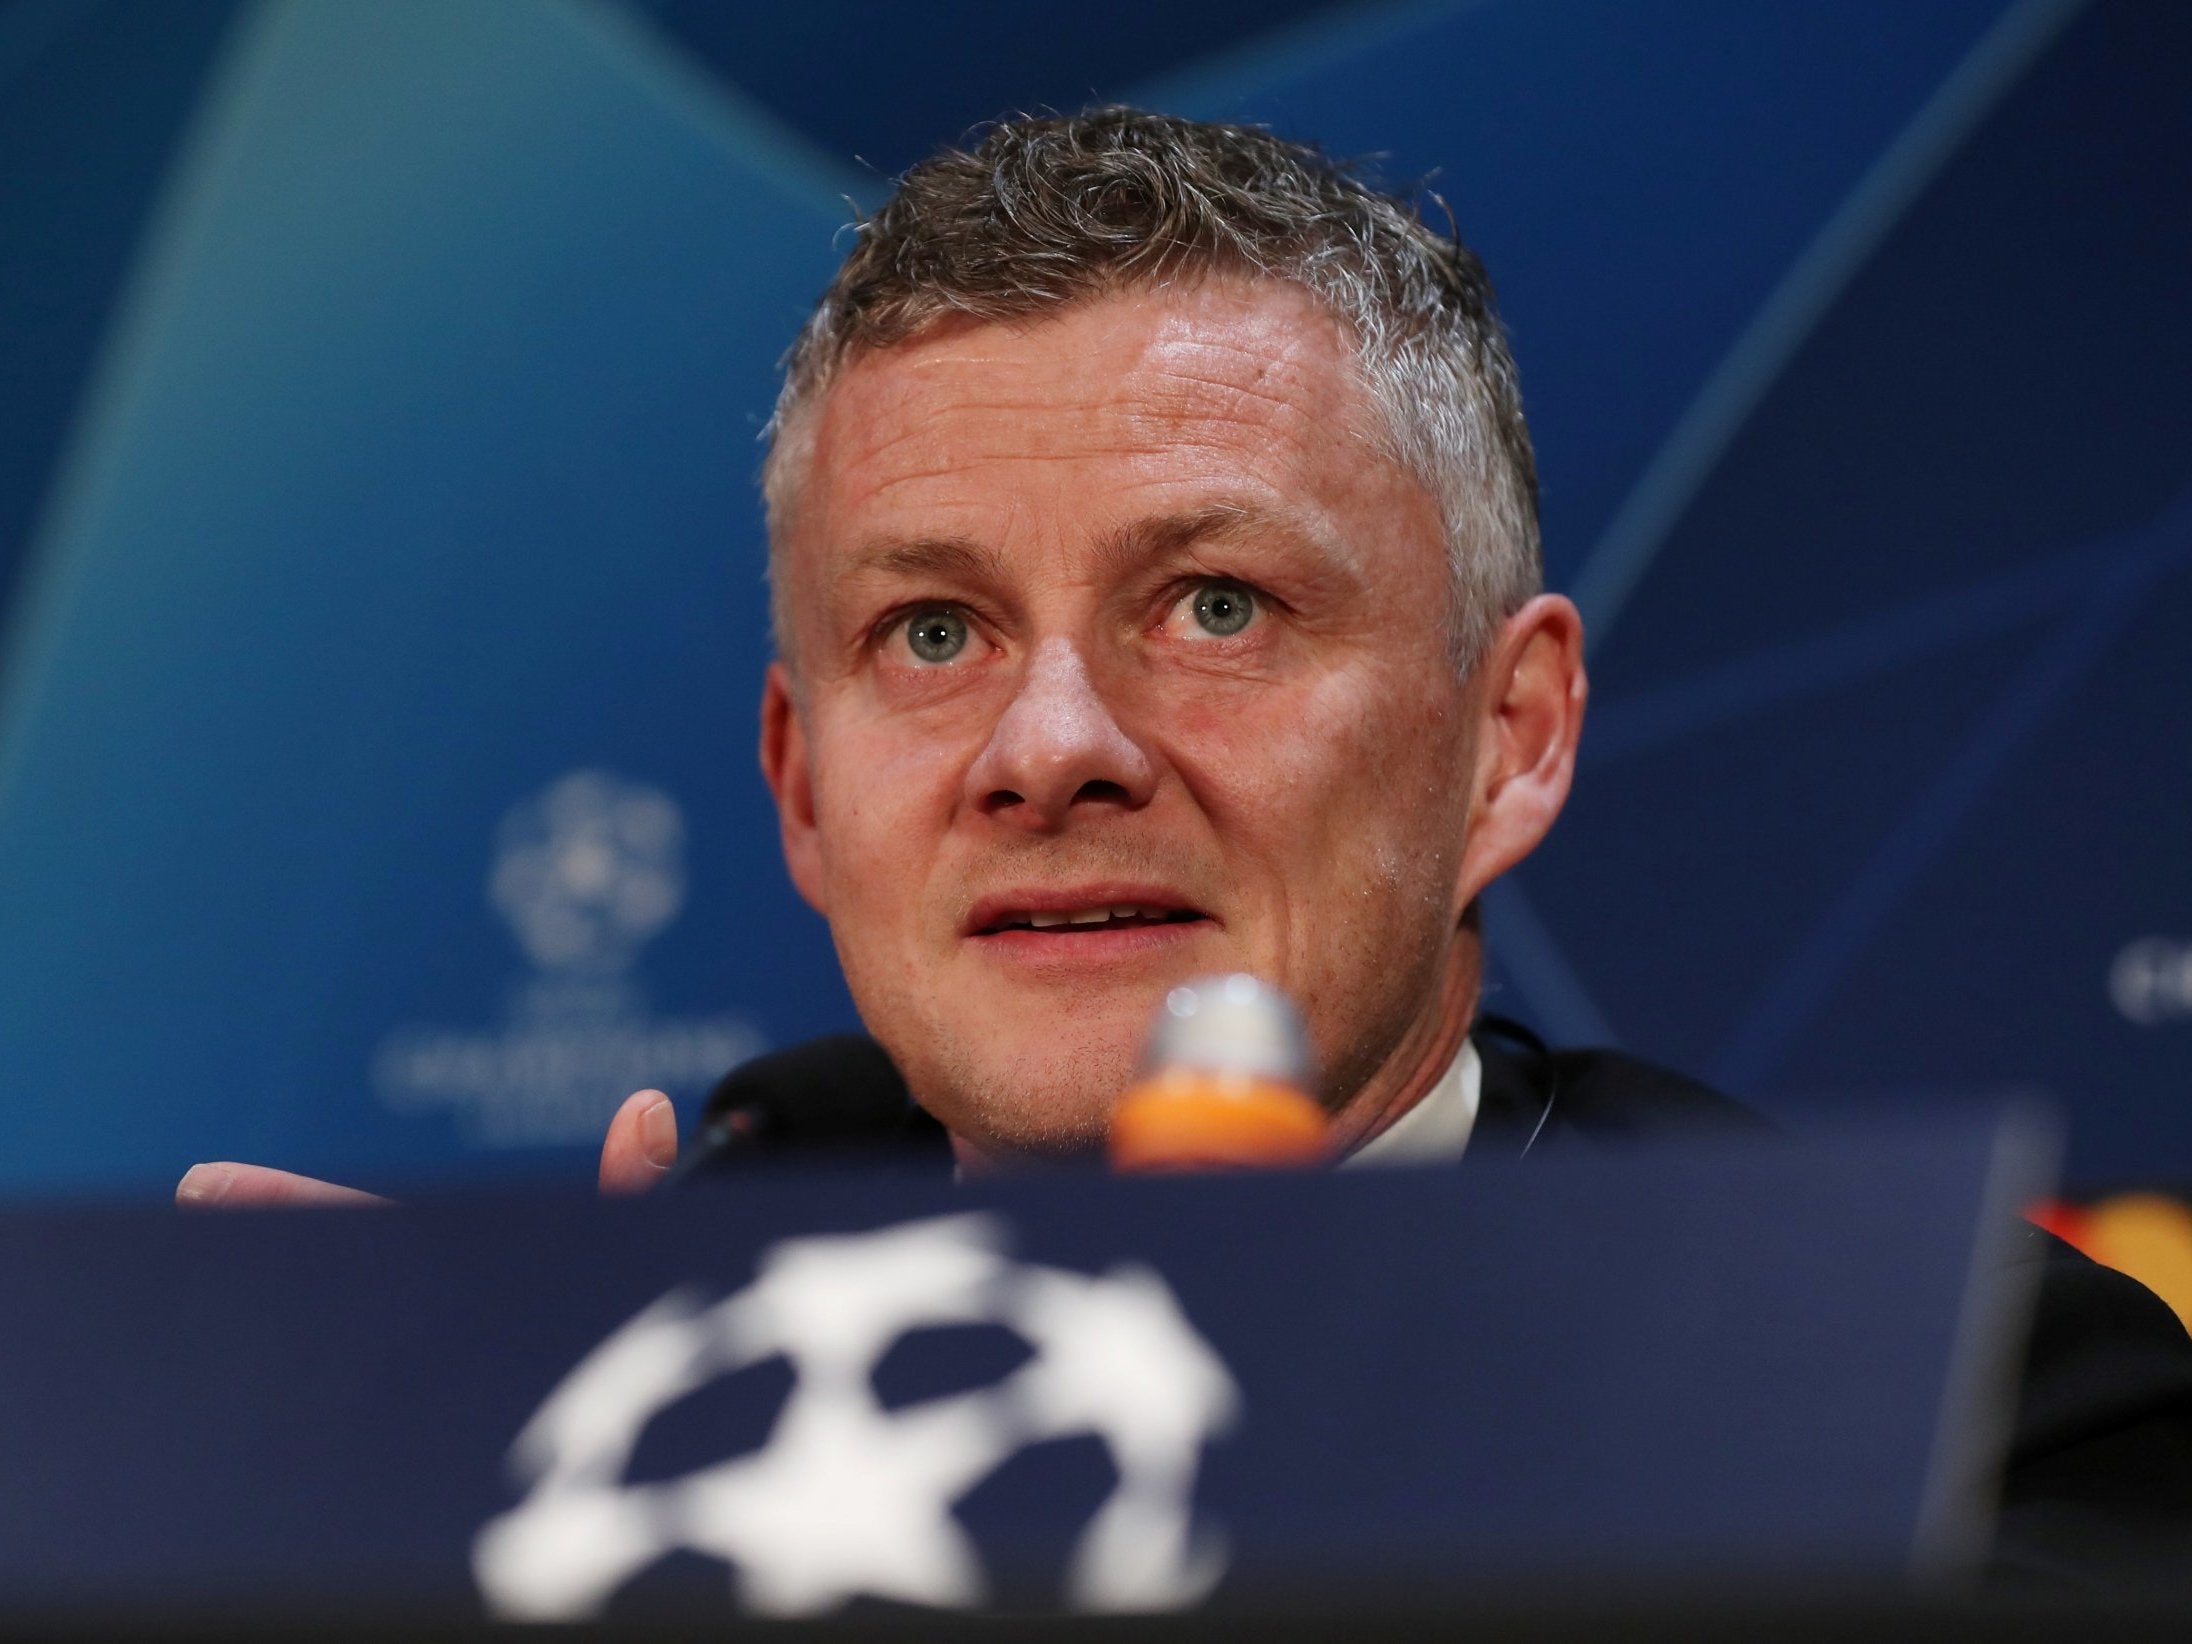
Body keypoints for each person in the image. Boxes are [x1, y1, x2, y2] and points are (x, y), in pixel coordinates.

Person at [175, 108, 2192, 1582]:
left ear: (1512, 737)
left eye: (1215, 604)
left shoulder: (1944, 1396)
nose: (1047, 749)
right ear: (801, 790)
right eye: (934, 632)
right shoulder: (626, 1407)